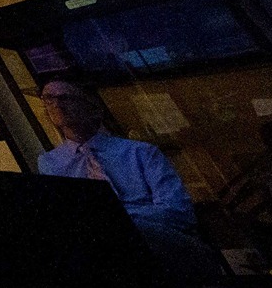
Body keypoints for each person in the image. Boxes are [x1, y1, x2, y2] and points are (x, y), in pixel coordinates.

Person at [35, 81, 196, 234]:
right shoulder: (50, 163)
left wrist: (116, 218)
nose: (57, 105)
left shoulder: (139, 152)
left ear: (89, 105)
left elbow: (179, 211)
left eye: (65, 98)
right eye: (48, 99)